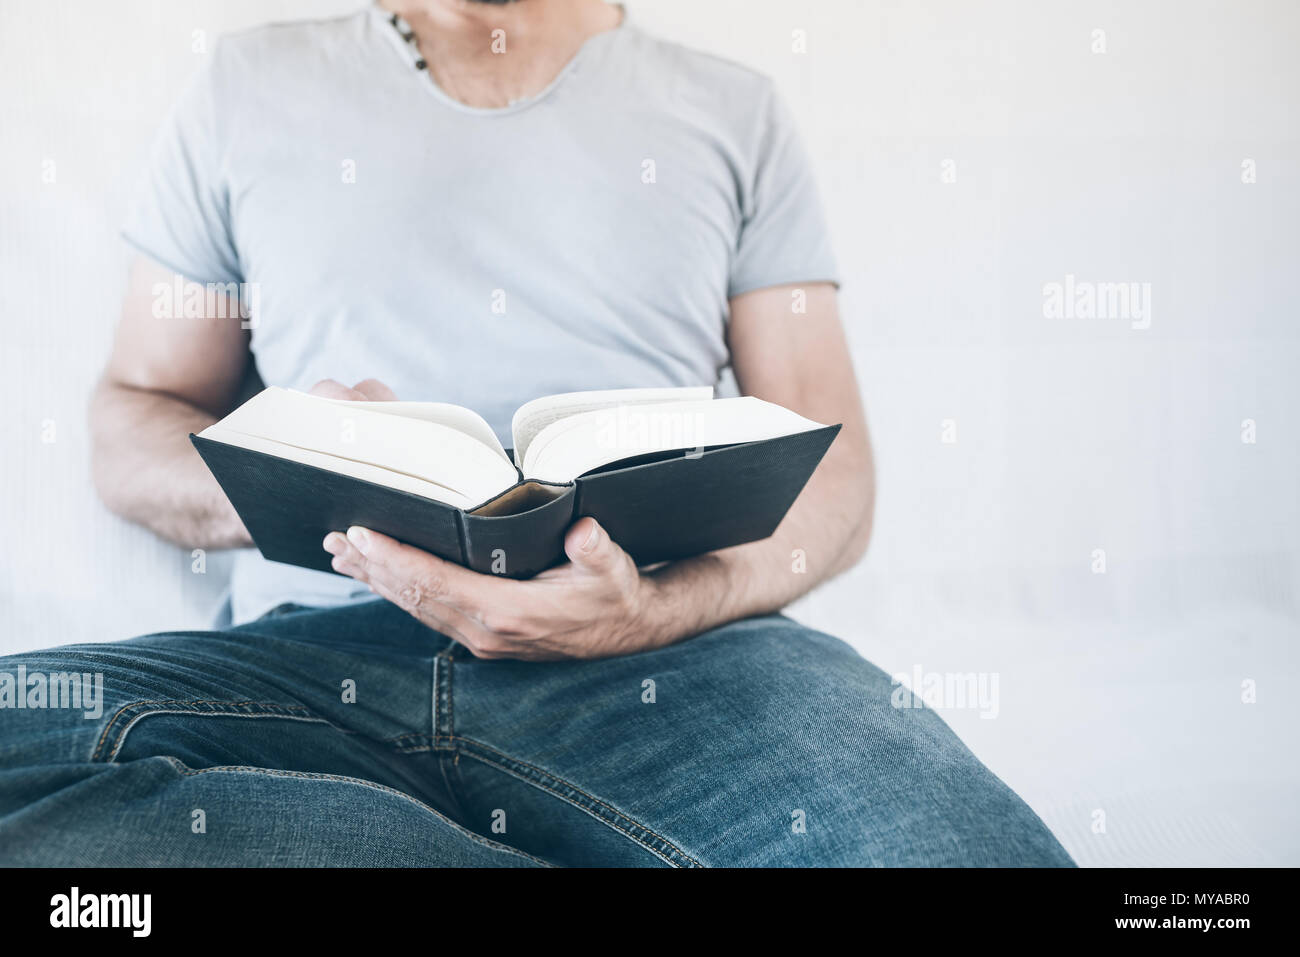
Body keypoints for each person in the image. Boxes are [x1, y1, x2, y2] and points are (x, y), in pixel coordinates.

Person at [0, 0, 1072, 866]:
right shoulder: (246, 83)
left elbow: (831, 471)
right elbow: (134, 413)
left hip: (672, 659)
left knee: (944, 844)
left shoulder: (733, 110)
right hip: (312, 662)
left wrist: (653, 611)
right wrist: (298, 474)